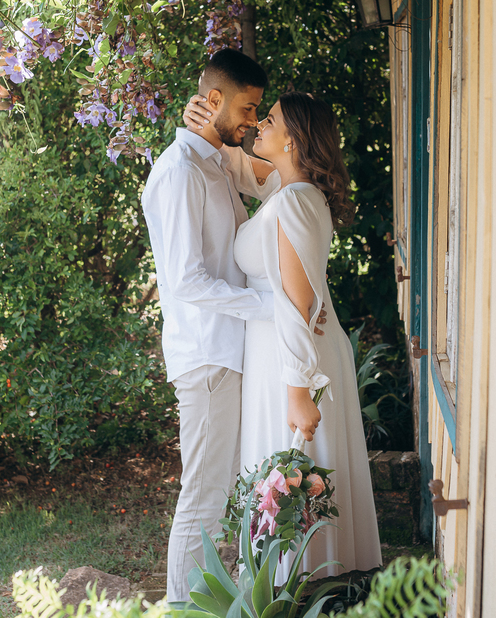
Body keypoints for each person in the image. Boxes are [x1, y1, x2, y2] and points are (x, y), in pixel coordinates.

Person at [142, 49, 327, 602]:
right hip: (206, 355)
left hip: (230, 350)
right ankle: (181, 609)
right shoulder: (177, 173)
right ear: (215, 100)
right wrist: (274, 310)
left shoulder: (215, 164)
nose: (251, 123)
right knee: (202, 494)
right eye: (247, 110)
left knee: (218, 492)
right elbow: (187, 282)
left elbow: (279, 186)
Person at [183, 90, 382, 579]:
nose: (257, 127)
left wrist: (299, 392)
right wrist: (202, 119)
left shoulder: (294, 202)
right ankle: (295, 579)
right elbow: (237, 163)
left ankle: (305, 581)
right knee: (283, 473)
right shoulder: (286, 191)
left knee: (292, 470)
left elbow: (299, 305)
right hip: (280, 349)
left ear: (292, 139)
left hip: (293, 356)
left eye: (268, 120)